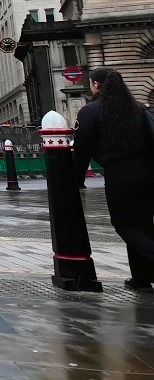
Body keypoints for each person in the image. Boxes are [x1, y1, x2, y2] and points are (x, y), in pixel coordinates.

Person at [72, 67, 154, 293]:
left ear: (96, 84)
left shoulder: (91, 111)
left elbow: (81, 150)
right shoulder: (138, 108)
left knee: (125, 225)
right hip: (148, 173)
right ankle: (141, 278)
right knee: (143, 224)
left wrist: (76, 179)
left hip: (120, 174)